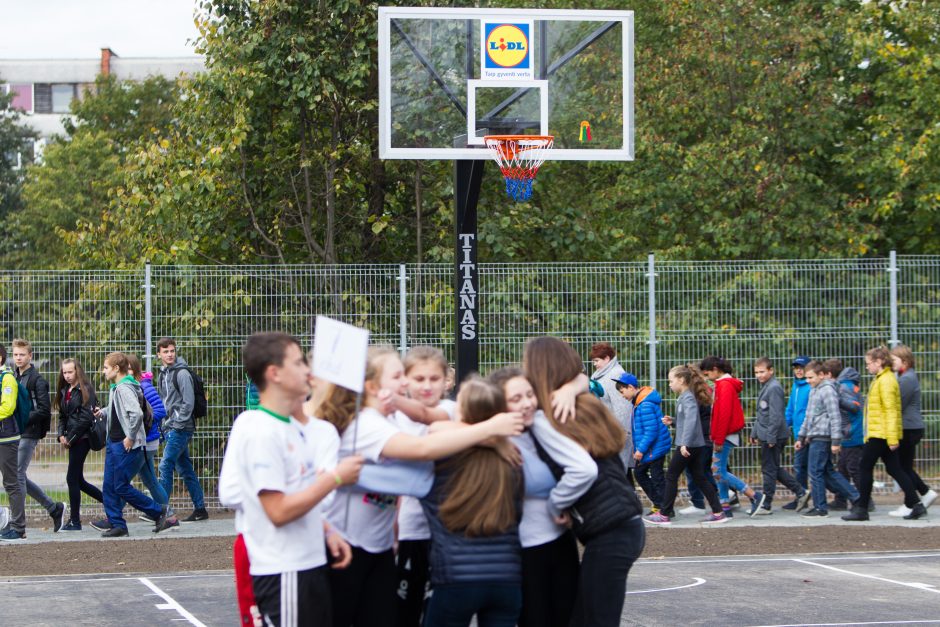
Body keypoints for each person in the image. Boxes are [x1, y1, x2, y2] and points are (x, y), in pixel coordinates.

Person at [320, 346, 523, 627]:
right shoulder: (366, 424)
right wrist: (489, 431)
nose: (405, 382)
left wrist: (492, 436)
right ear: (373, 386)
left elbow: (434, 420)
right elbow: (423, 448)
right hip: (350, 546)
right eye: (399, 376)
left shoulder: (390, 417)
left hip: (381, 546)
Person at [219, 332, 362, 626]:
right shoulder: (262, 431)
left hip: (306, 566)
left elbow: (296, 495)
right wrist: (335, 477)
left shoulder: (291, 429)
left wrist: (325, 529)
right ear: (275, 374)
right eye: (298, 363)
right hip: (285, 570)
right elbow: (279, 511)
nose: (307, 370)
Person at [523, 336, 645, 627]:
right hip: (624, 524)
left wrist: (556, 504)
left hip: (611, 529)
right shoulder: (582, 404)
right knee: (588, 615)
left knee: (594, 619)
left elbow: (583, 471)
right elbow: (583, 379)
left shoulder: (554, 413)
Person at [420, 377, 526, 627]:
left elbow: (433, 431)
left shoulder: (443, 456)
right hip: (507, 580)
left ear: (463, 412)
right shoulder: (512, 459)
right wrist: (494, 434)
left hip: (456, 580)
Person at [488, 367, 582, 627]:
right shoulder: (490, 440)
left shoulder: (541, 425)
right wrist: (493, 437)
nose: (527, 403)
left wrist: (570, 388)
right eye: (516, 399)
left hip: (560, 541)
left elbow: (581, 377)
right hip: (523, 551)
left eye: (529, 395)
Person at [393, 346, 455, 627]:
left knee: (442, 612)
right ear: (405, 380)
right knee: (406, 609)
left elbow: (427, 417)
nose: (427, 386)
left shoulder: (451, 410)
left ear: (446, 380)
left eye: (434, 378)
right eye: (419, 379)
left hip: (447, 531)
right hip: (410, 530)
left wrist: (391, 398)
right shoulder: (392, 420)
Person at [843, 346, 926, 521]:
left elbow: (891, 411)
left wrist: (892, 437)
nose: (867, 367)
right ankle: (917, 505)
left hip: (880, 433)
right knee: (894, 468)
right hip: (880, 432)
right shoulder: (882, 378)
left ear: (879, 362)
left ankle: (862, 509)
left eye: (869, 363)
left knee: (864, 467)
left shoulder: (886, 381)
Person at [98, 352, 173, 537]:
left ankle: (158, 511)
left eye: (106, 368)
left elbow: (137, 414)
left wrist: (131, 436)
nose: (103, 371)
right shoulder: (117, 387)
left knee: (121, 485)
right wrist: (105, 412)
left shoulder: (124, 387)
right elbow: (121, 409)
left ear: (116, 369)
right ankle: (117, 524)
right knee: (109, 485)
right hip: (114, 442)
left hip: (126, 445)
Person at [646, 364, 727, 525]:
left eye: (671, 381)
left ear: (681, 380)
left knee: (671, 476)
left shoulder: (688, 397)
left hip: (688, 445)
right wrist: (674, 421)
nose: (669, 384)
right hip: (694, 444)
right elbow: (689, 420)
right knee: (700, 477)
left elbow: (691, 420)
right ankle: (718, 512)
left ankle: (664, 514)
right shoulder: (686, 396)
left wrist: (684, 444)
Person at [699, 356, 765, 517]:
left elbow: (724, 415)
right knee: (718, 470)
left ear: (715, 369)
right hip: (723, 435)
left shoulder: (725, 386)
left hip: (725, 435)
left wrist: (719, 439)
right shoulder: (722, 385)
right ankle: (725, 507)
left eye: (707, 374)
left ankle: (754, 495)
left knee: (717, 471)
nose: (707, 378)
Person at [11, 339, 64, 532]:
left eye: (22, 354)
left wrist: (21, 418)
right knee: (18, 475)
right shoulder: (13, 377)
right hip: (15, 433)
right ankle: (53, 508)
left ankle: (18, 524)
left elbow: (44, 410)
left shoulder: (37, 380)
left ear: (30, 356)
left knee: (16, 475)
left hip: (29, 433)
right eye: (16, 354)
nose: (18, 358)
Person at [794, 361, 859, 517]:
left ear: (822, 375)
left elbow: (835, 415)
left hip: (823, 437)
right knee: (827, 472)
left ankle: (820, 508)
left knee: (815, 472)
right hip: (815, 436)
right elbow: (809, 416)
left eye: (811, 377)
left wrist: (836, 441)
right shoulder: (814, 390)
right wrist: (801, 437)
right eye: (807, 378)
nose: (807, 380)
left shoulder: (827, 390)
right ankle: (857, 497)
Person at [156, 337, 207, 522]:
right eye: (166, 351)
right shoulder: (163, 374)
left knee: (165, 464)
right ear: (159, 354)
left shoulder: (182, 374)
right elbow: (165, 402)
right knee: (185, 469)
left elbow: (188, 403)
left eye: (172, 350)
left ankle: (162, 510)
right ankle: (200, 509)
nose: (170, 354)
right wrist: (164, 425)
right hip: (171, 427)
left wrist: (176, 424)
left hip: (182, 427)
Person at [750, 357, 806, 515]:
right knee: (773, 467)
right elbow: (762, 414)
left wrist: (771, 437)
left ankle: (766, 504)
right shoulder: (766, 386)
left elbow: (775, 416)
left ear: (771, 371)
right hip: (767, 434)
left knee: (769, 469)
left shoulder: (774, 387)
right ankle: (801, 492)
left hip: (773, 436)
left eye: (762, 372)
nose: (759, 375)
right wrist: (755, 433)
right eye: (756, 372)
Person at [55, 358, 103, 531]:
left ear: (77, 371)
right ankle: (111, 502)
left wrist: (71, 438)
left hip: (82, 439)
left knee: (71, 478)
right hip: (71, 438)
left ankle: (75, 521)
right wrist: (61, 435)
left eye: (70, 372)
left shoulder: (85, 389)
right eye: (65, 372)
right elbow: (62, 416)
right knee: (79, 480)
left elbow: (86, 418)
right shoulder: (65, 391)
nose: (67, 375)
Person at [612, 372, 670, 513]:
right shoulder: (639, 402)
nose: (622, 395)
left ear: (631, 387)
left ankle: (665, 509)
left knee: (656, 478)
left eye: (622, 391)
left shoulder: (644, 405)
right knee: (640, 473)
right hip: (651, 448)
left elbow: (651, 431)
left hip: (655, 448)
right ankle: (659, 503)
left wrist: (640, 450)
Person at [889, 345, 937, 515]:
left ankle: (912, 503)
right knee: (904, 466)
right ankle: (923, 493)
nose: (891, 363)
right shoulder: (906, 377)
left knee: (901, 467)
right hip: (910, 427)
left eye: (894, 360)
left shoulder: (906, 379)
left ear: (905, 361)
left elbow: (896, 404)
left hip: (909, 428)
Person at [589, 343, 635, 478]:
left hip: (616, 433)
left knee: (618, 472)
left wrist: (620, 433)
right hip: (604, 431)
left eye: (596, 361)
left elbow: (623, 408)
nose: (595, 364)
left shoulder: (616, 375)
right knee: (619, 473)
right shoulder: (599, 374)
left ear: (607, 358)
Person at [825, 358, 865, 511]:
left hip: (853, 434)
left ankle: (865, 501)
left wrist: (838, 399)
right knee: (842, 469)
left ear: (829, 374)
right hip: (847, 433)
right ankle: (841, 500)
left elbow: (855, 407)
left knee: (853, 469)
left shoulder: (843, 387)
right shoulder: (842, 385)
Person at [0, 345, 27, 541]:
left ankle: (18, 528)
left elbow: (8, 407)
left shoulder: (7, 378)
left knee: (11, 482)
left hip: (6, 439)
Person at [782, 355, 812, 510]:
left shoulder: (809, 386)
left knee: (803, 467)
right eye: (796, 368)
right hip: (798, 433)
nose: (799, 371)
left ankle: (802, 496)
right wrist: (784, 425)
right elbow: (790, 409)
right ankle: (802, 496)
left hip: (807, 434)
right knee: (801, 467)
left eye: (802, 368)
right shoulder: (796, 386)